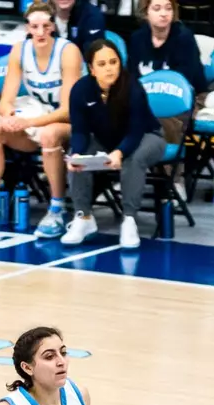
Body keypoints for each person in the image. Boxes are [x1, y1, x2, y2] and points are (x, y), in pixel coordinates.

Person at [0, 0, 79, 238]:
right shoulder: (19, 50)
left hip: (68, 122)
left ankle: (57, 209)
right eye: (34, 26)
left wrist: (28, 123)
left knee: (50, 134)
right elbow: (6, 99)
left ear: (53, 26)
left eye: (45, 26)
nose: (40, 32)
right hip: (36, 116)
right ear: (27, 28)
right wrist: (9, 116)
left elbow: (67, 111)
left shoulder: (68, 51)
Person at [62, 37, 162, 250]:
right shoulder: (80, 90)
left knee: (133, 158)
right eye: (102, 64)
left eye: (113, 62)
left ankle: (129, 219)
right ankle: (84, 218)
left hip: (147, 136)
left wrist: (119, 152)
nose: (109, 68)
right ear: (91, 68)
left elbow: (136, 131)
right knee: (76, 155)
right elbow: (80, 131)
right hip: (105, 140)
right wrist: (77, 154)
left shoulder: (133, 87)